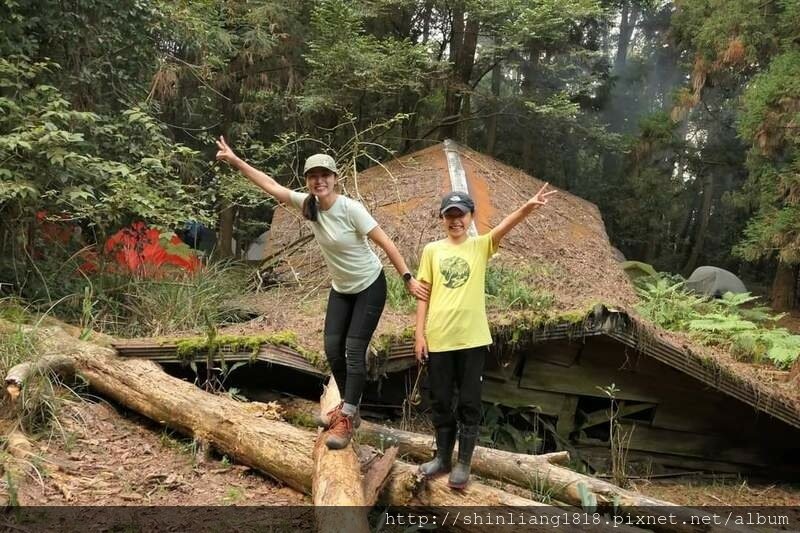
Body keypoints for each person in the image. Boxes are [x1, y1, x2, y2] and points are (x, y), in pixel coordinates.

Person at [215, 136, 429, 449]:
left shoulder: (351, 210)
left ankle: (347, 418)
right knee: (331, 349)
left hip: (370, 285)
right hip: (341, 288)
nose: (319, 181)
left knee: (354, 351)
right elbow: (269, 185)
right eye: (313, 176)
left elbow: (387, 243)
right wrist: (235, 160)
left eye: (324, 175)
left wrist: (408, 278)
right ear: (308, 181)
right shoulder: (307, 205)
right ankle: (346, 409)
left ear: (334, 179)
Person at [414, 184, 556, 489]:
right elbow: (423, 295)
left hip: (472, 340)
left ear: (470, 217)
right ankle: (441, 458)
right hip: (439, 338)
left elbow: (505, 226)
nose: (455, 221)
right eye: (450, 216)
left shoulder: (480, 247)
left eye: (461, 215)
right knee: (440, 400)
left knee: (469, 402)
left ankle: (463, 463)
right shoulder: (431, 251)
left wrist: (528, 206)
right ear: (442, 218)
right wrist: (419, 335)